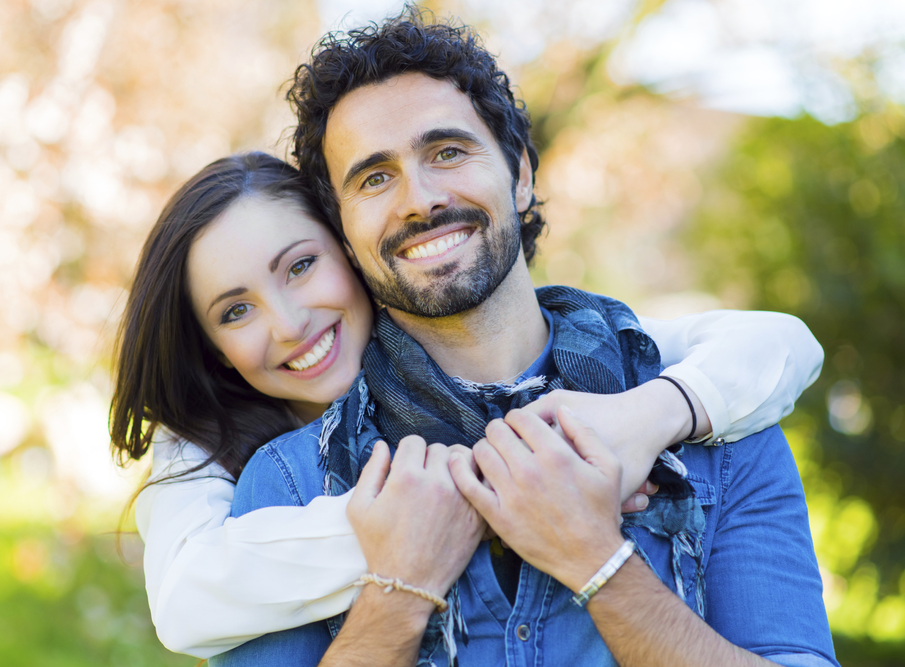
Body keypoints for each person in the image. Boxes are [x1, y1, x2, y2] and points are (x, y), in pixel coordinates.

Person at [210, 7, 838, 667]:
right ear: (342, 231)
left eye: (447, 151)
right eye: (374, 178)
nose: (418, 199)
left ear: (521, 174)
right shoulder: (292, 481)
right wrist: (398, 595)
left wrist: (596, 561)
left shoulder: (719, 433)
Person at [113, 152, 823, 660]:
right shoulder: (246, 471)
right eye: (236, 310)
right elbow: (185, 603)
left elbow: (769, 341)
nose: (290, 321)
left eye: (301, 265)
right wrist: (431, 540)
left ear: (353, 249)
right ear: (212, 350)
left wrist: (653, 417)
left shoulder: (616, 368)